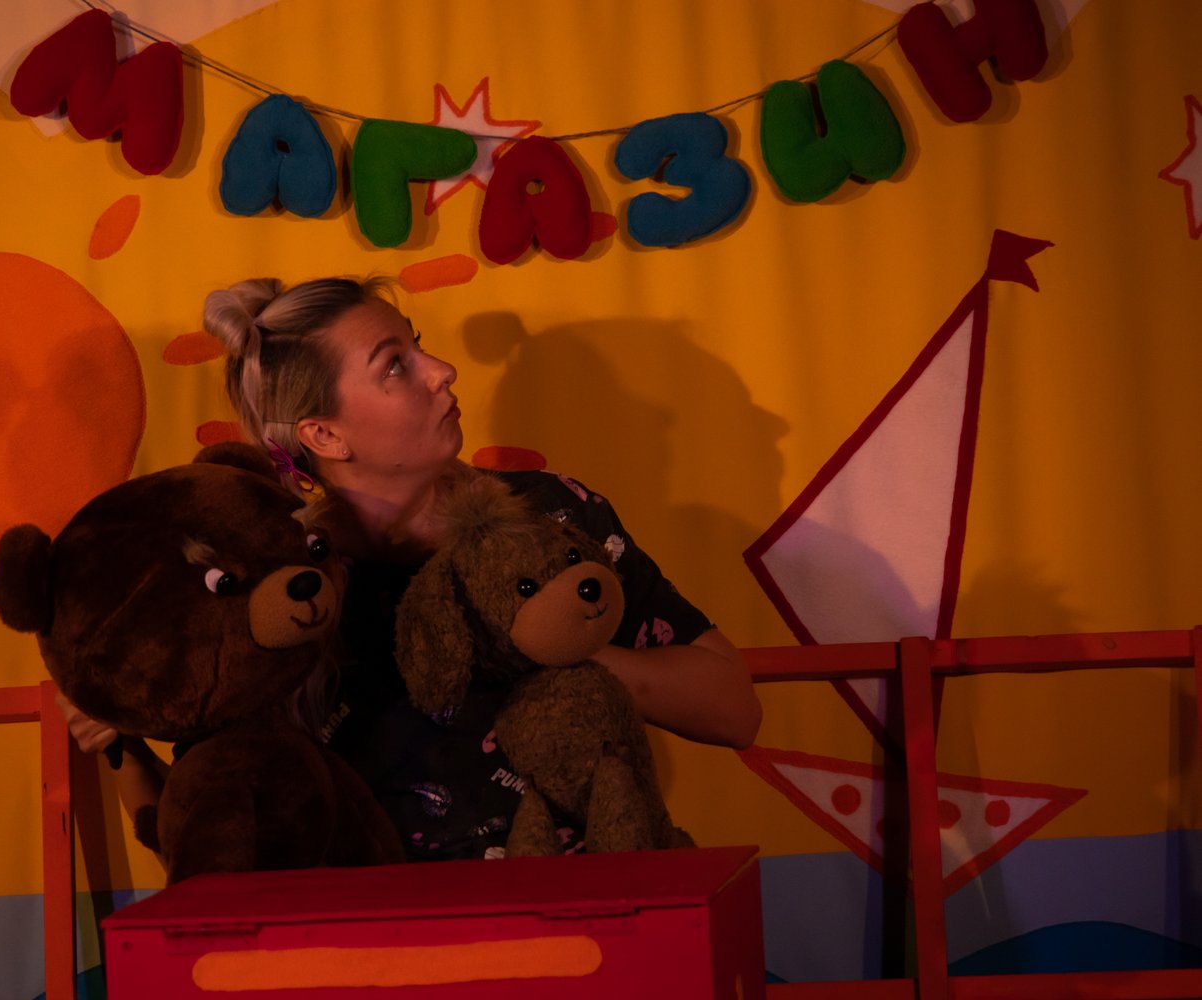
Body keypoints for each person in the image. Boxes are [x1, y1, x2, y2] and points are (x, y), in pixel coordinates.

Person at [63, 275, 761, 861]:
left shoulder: (549, 515)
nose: (441, 370)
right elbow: (210, 820)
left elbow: (735, 710)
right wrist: (122, 739)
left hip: (587, 904)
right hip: (376, 937)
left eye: (417, 346)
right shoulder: (274, 583)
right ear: (324, 434)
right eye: (394, 365)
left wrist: (560, 645)